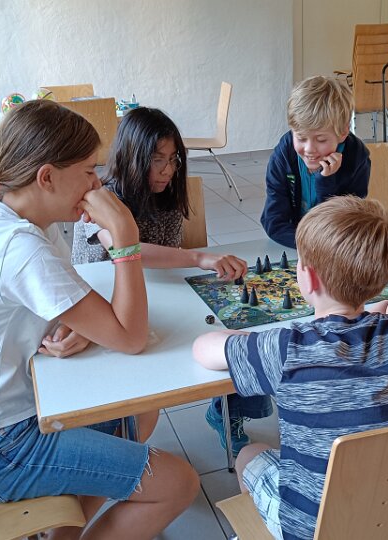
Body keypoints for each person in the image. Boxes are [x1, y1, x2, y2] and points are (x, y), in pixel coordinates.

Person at [0, 100, 199, 540]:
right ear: (46, 177)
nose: (97, 182)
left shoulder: (19, 221)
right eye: (88, 171)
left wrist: (80, 328)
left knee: (140, 413)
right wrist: (124, 235)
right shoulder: (18, 246)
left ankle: (62, 534)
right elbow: (131, 337)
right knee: (178, 484)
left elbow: (75, 307)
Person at [194, 196, 388, 540]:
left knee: (249, 454)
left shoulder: (286, 348)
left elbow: (203, 349)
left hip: (311, 530)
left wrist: (252, 339)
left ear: (306, 277)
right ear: (384, 278)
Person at [70, 107, 272, 457]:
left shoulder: (166, 194)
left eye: (173, 159)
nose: (168, 170)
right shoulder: (104, 197)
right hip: (106, 312)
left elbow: (166, 256)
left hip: (156, 297)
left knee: (240, 327)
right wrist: (198, 258)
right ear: (133, 158)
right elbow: (125, 249)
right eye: (157, 160)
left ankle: (229, 411)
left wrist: (195, 263)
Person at [261, 76, 371, 248]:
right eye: (301, 138)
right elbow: (274, 223)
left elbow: (342, 224)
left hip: (334, 245)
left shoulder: (357, 158)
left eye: (321, 140)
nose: (309, 149)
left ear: (343, 133)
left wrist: (325, 182)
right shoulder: (283, 156)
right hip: (297, 244)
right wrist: (312, 247)